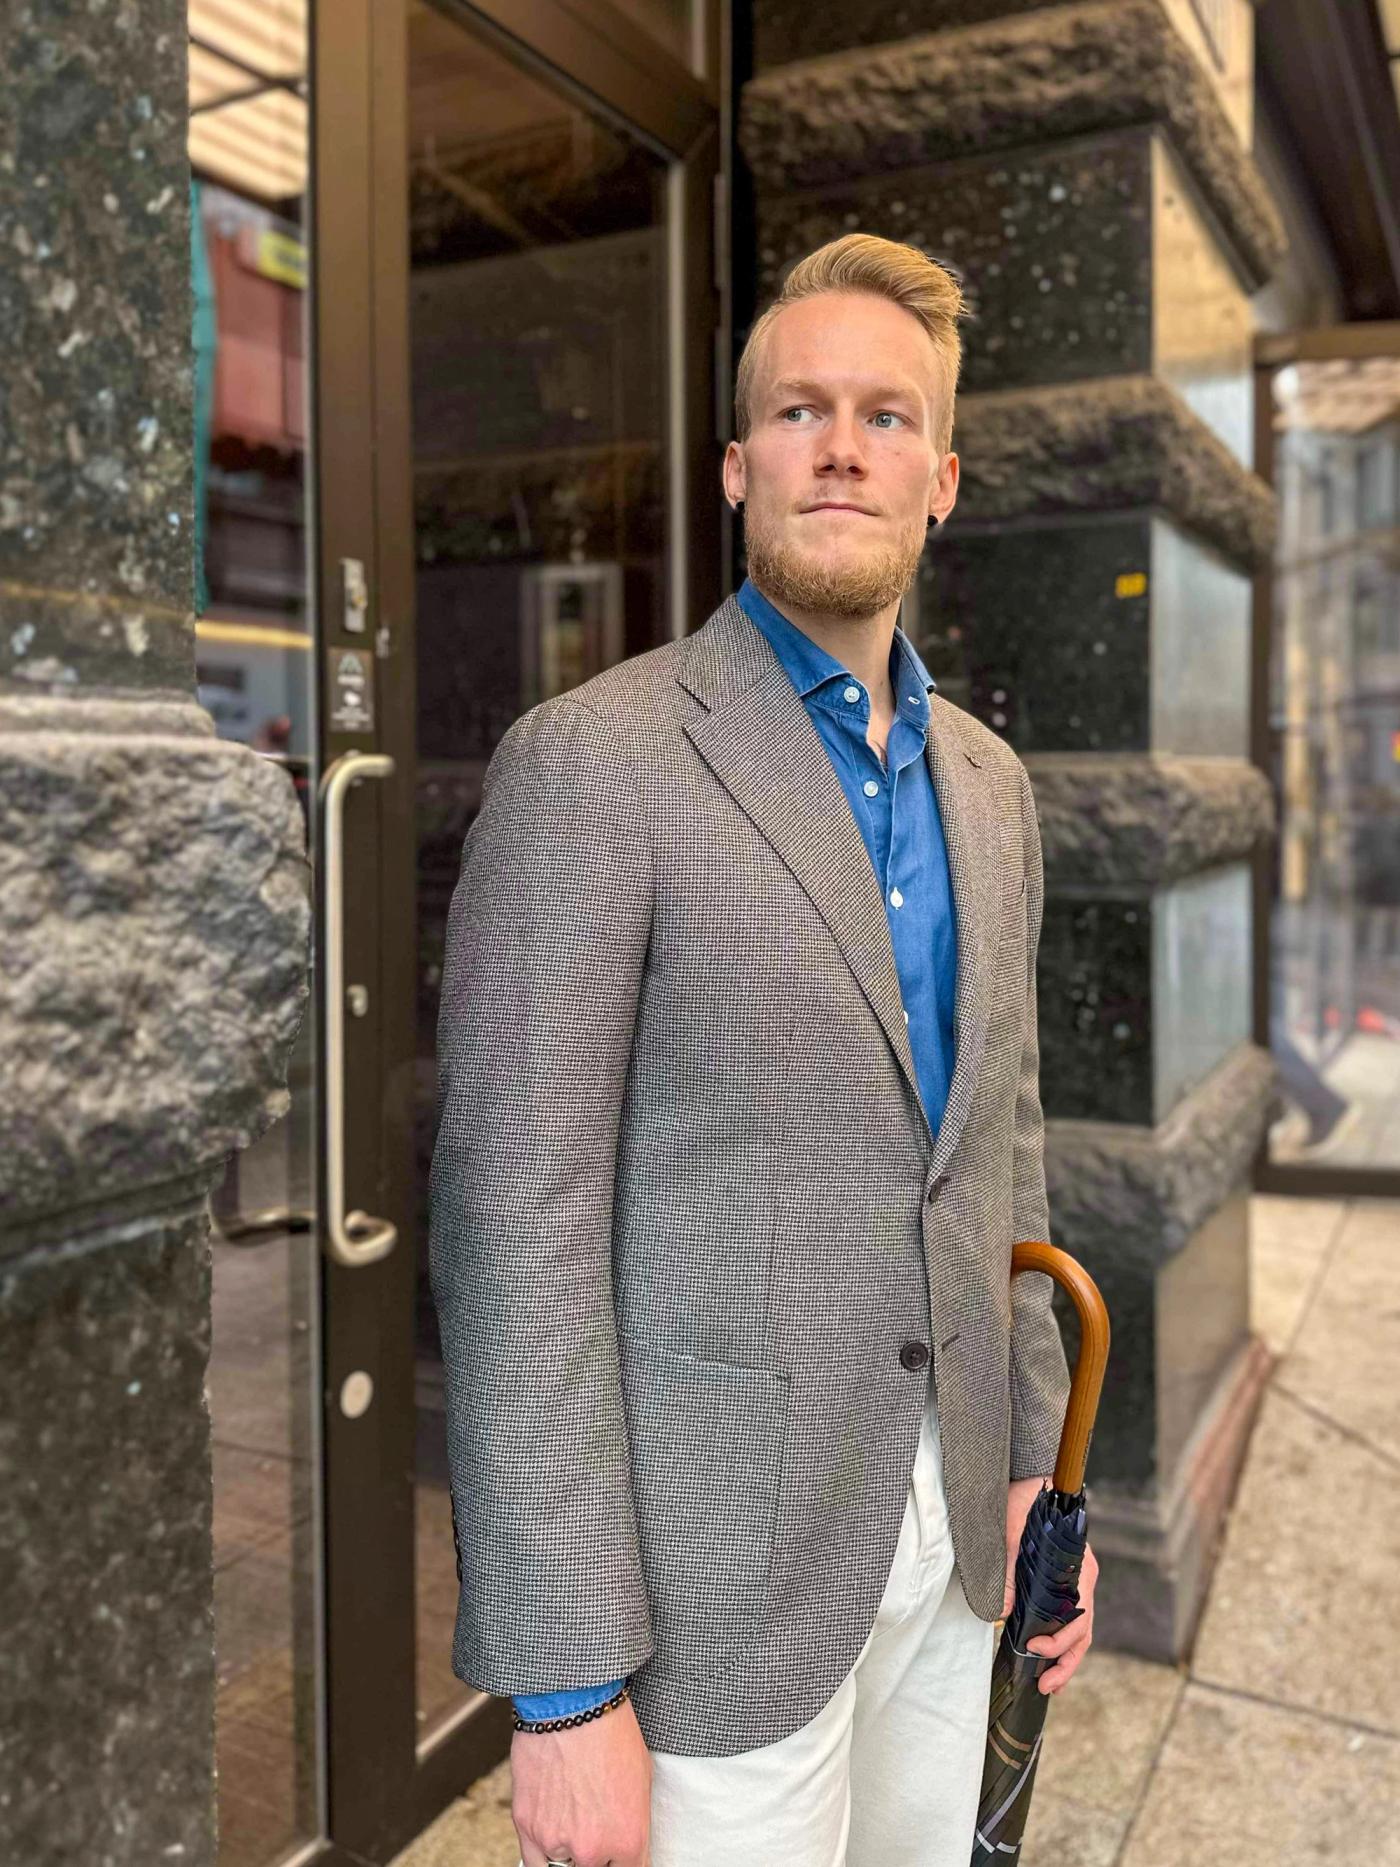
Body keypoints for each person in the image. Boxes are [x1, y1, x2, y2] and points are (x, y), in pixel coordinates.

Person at [429, 232, 1098, 1867]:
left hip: (952, 1558)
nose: (842, 444)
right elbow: (518, 1237)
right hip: (709, 1593)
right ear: (741, 467)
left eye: (884, 416)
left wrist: (1025, 1484)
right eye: (800, 411)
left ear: (942, 478)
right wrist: (567, 1684)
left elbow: (998, 1153)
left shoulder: (994, 790)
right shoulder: (593, 763)